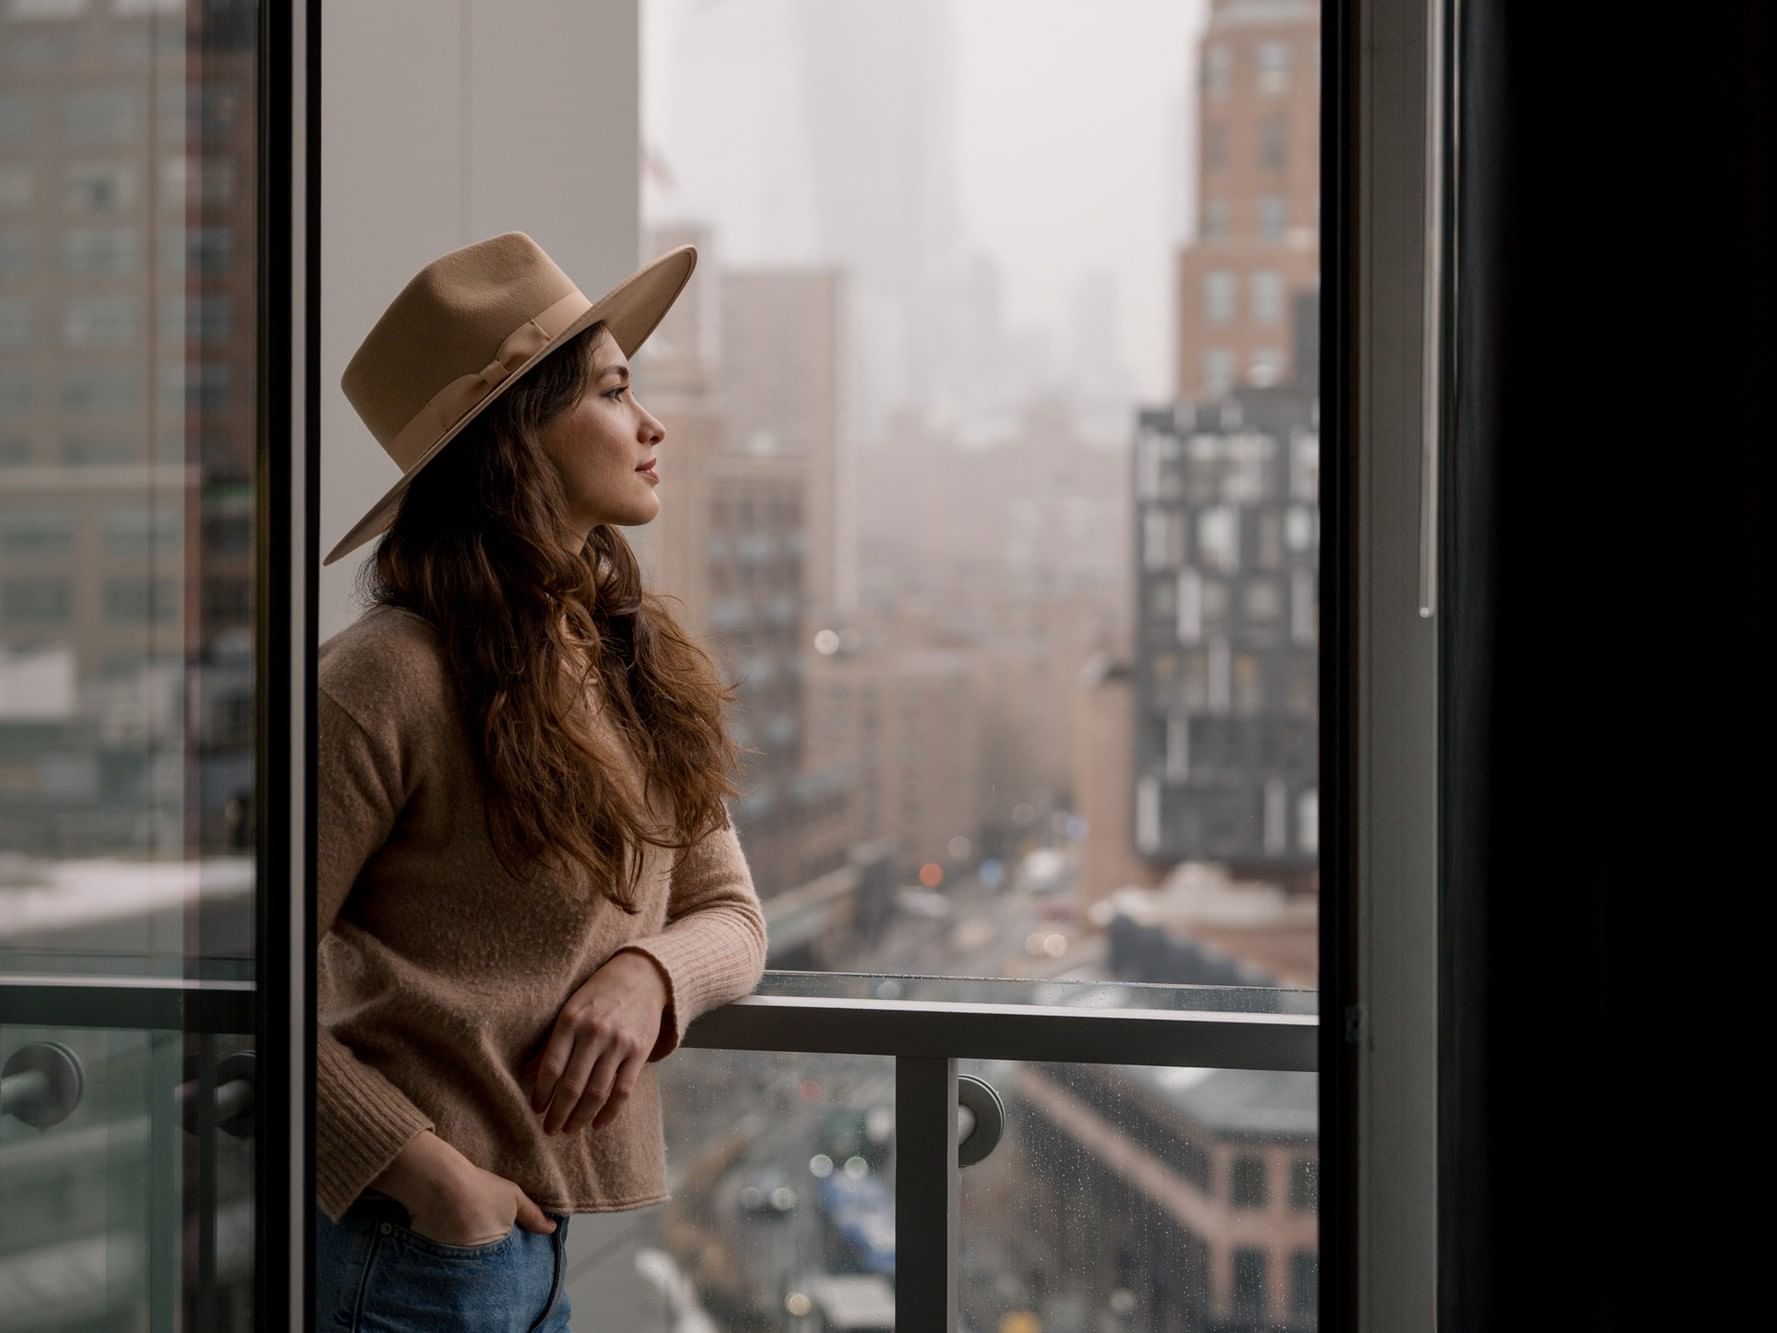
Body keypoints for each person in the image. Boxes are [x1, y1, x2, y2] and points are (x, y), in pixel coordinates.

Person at [311, 232, 768, 1330]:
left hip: (536, 1246)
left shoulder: (628, 661)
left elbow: (733, 915)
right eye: (613, 391)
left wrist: (648, 975)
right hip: (412, 1244)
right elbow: (250, 979)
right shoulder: (384, 677)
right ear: (515, 436)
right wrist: (427, 1174)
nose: (651, 425)